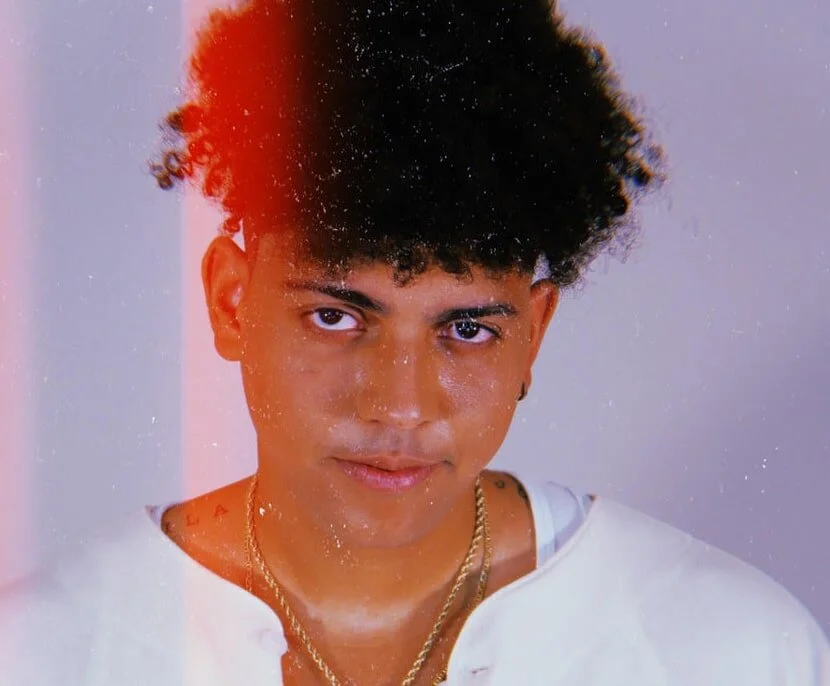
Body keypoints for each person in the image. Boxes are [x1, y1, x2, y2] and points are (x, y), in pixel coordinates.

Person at [1, 0, 828, 683]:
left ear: (534, 334)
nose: (399, 405)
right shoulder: (41, 652)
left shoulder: (729, 649)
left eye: (466, 330)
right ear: (230, 302)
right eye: (337, 316)